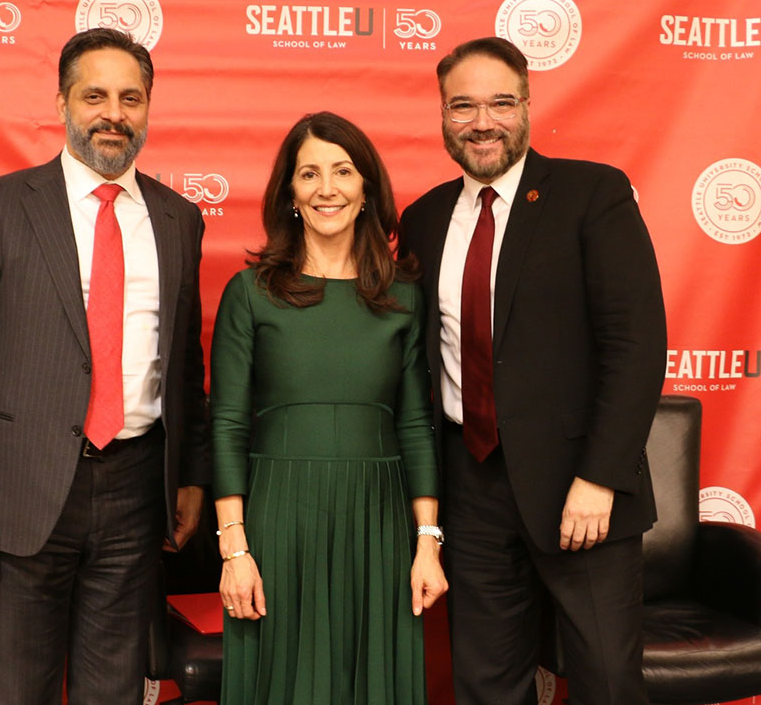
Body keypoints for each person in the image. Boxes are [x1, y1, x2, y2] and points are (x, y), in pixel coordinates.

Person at [0, 28, 210, 705]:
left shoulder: (179, 219)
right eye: (95, 95)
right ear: (62, 102)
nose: (114, 112)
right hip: (19, 494)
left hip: (137, 489)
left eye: (130, 97)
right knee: (21, 690)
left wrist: (192, 479)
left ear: (148, 107)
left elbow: (186, 362)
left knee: (113, 690)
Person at [399, 37, 667, 705]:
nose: (481, 122)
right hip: (470, 483)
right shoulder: (424, 219)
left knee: (606, 682)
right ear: (441, 113)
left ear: (527, 105)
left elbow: (636, 346)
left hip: (582, 491)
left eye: (499, 103)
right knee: (486, 682)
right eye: (463, 105)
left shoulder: (592, 193)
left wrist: (601, 477)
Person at [210, 111, 447, 705]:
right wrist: (234, 550)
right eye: (309, 173)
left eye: (343, 171)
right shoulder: (250, 293)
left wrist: (426, 542)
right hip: (277, 523)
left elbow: (417, 424)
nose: (327, 188)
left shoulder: (403, 295)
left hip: (380, 524)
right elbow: (228, 424)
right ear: (289, 192)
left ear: (367, 188)